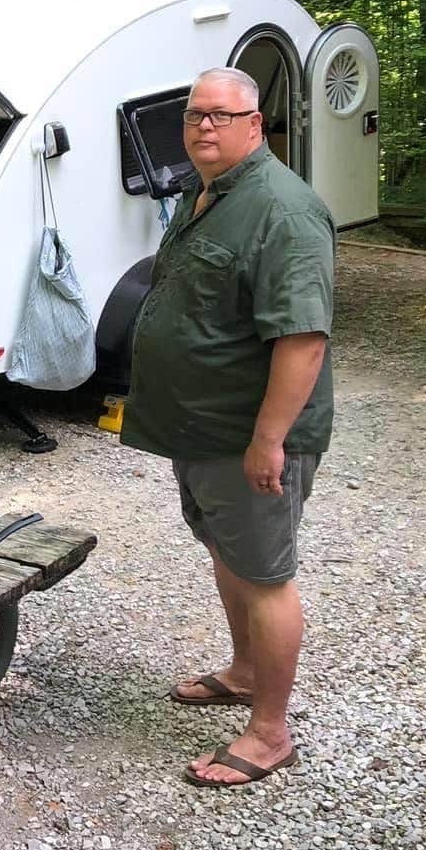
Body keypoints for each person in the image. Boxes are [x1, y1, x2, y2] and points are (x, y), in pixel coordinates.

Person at [122, 67, 336, 788]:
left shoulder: (284, 210)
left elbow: (303, 339)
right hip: (200, 425)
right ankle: (245, 672)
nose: (203, 128)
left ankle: (270, 733)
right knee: (227, 548)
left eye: (221, 115)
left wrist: (269, 438)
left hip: (248, 433)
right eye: (193, 116)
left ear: (256, 124)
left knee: (267, 575)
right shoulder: (204, 191)